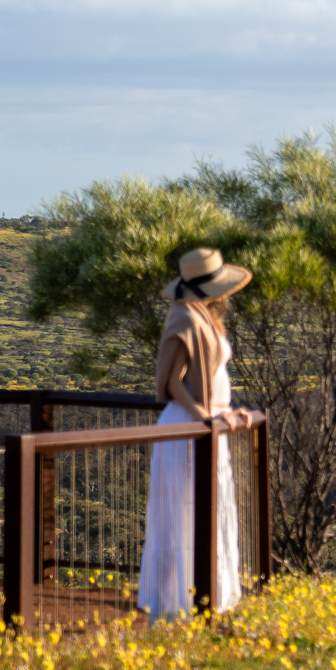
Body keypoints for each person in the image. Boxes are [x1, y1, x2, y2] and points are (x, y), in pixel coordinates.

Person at [137, 246, 263, 620]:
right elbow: (173, 383)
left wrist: (224, 413)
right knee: (183, 514)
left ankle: (210, 601)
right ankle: (179, 606)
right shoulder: (183, 317)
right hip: (188, 427)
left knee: (211, 507)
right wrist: (204, 418)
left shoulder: (202, 315)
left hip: (209, 424)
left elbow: (208, 377)